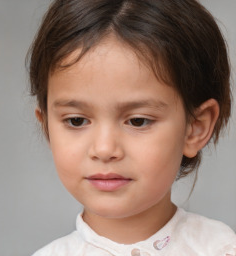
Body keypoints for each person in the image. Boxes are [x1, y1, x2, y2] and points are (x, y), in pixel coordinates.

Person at [28, 0, 236, 255]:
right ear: (47, 125)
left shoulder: (221, 248)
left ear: (195, 127)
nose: (104, 149)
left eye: (137, 121)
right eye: (76, 120)